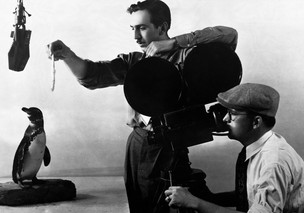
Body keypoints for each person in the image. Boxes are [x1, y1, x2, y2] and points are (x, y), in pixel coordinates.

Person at [46, 1, 238, 212]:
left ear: (162, 27)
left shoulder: (188, 57)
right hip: (138, 142)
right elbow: (93, 75)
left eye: (142, 27)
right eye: (133, 29)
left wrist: (175, 42)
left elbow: (229, 35)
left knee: (161, 206)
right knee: (136, 204)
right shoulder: (135, 61)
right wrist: (67, 54)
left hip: (168, 146)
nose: (136, 36)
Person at [165, 83, 304, 213]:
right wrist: (209, 199)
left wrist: (195, 203)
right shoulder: (260, 146)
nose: (225, 119)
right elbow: (252, 194)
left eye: (233, 113)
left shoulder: (273, 162)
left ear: (256, 122)